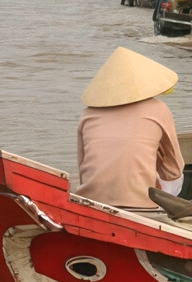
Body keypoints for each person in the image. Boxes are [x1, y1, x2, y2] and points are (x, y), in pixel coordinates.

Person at [76, 47, 184, 208]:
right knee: (175, 175)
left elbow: (83, 168)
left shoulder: (88, 114)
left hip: (91, 202)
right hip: (141, 205)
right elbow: (174, 171)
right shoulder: (158, 109)